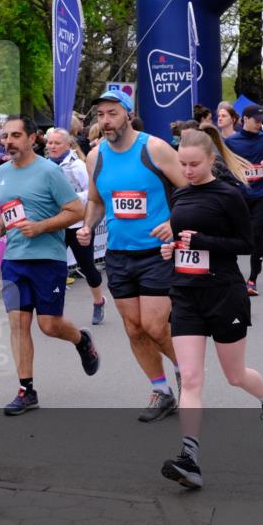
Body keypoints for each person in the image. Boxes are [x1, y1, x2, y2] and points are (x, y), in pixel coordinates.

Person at [158, 126, 263, 489]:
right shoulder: (179, 195)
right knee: (192, 379)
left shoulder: (229, 195)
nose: (187, 170)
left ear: (211, 159)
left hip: (223, 293)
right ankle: (190, 459)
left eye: (194, 164)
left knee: (235, 376)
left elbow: (245, 244)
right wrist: (173, 250)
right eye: (182, 163)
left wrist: (202, 241)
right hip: (185, 293)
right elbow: (184, 242)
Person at [78, 90, 184, 423]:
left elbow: (189, 190)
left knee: (155, 325)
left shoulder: (154, 148)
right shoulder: (96, 157)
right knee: (134, 328)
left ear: (127, 113)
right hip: (119, 255)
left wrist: (172, 221)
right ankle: (161, 390)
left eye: (111, 113)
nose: (105, 121)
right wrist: (87, 226)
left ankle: (187, 371)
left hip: (156, 252)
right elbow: (96, 200)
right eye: (100, 115)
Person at [0, 115, 98, 417]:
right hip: (13, 260)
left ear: (31, 138)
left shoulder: (49, 171)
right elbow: (8, 208)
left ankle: (81, 338)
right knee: (18, 324)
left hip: (47, 259)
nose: (7, 142)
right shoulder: (0, 173)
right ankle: (26, 390)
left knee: (49, 325)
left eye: (14, 136)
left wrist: (41, 227)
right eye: (4, 136)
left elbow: (76, 210)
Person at [44, 128, 107, 325]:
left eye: (57, 143)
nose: (52, 146)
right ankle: (53, 307)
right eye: (50, 143)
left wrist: (68, 199)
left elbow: (92, 193)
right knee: (53, 267)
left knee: (87, 267)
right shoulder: (45, 166)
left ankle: (98, 301)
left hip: (79, 224)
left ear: (68, 145)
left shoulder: (77, 166)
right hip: (57, 224)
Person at [224, 104, 263, 296]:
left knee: (256, 234)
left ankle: (252, 279)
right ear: (244, 119)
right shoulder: (231, 142)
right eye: (256, 120)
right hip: (239, 196)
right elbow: (221, 168)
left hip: (261, 195)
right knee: (234, 237)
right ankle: (233, 274)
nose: (259, 124)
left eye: (262, 121)